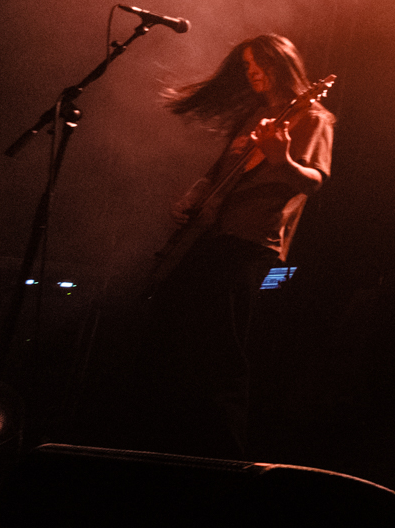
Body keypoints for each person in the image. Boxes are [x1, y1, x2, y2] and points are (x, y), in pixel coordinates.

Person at [142, 33, 333, 458]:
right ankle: (175, 441)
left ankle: (228, 455)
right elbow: (219, 172)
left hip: (251, 242)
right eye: (246, 66)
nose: (253, 73)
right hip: (214, 235)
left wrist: (283, 159)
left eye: (259, 64)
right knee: (177, 328)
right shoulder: (254, 115)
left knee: (224, 349)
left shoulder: (312, 117)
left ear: (282, 65)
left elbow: (315, 180)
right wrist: (195, 194)